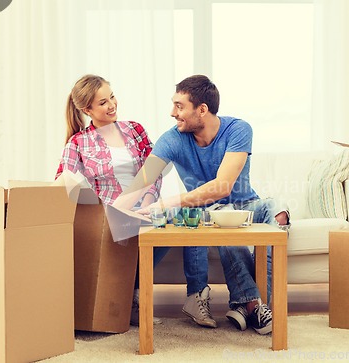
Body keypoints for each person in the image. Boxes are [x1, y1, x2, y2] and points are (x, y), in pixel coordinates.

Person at [114, 75, 290, 335]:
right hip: (211, 216)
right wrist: (113, 210)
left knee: (278, 209)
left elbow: (222, 186)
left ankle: (247, 305)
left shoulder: (238, 130)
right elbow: (144, 179)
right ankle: (254, 306)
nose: (173, 113)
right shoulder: (172, 139)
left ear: (202, 109)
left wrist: (168, 202)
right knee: (221, 215)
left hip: (246, 208)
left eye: (179, 106)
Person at [55, 74, 170, 326]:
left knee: (170, 226)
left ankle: (133, 295)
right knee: (122, 230)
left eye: (112, 97)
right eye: (103, 103)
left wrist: (149, 202)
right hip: (108, 215)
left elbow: (155, 171)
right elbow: (63, 183)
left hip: (144, 209)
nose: (112, 105)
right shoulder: (78, 143)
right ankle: (130, 299)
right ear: (87, 109)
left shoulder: (134, 130)